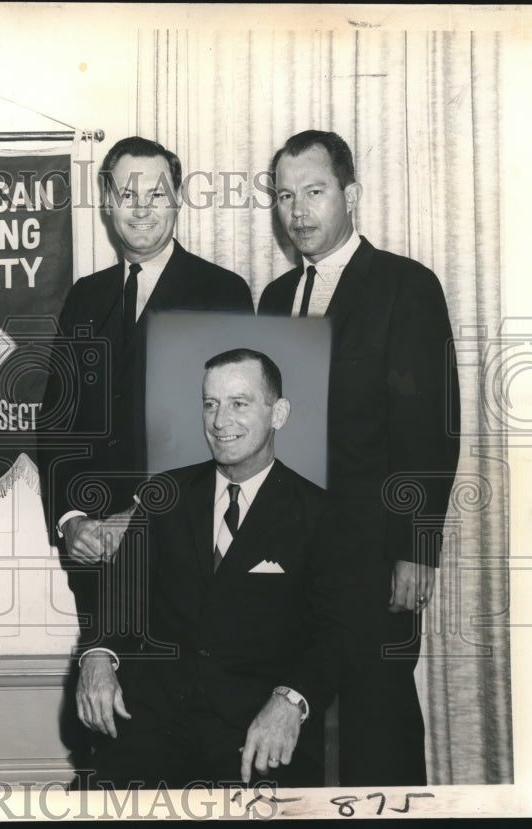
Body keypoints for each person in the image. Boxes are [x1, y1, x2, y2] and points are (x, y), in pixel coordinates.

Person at [258, 130, 460, 786]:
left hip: (379, 555)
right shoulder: (274, 297)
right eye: (286, 195)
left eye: (314, 192)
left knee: (381, 726)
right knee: (296, 720)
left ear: (351, 195)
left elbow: (431, 428)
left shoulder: (407, 286)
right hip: (293, 559)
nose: (298, 211)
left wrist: (417, 545)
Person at [74, 349, 348, 789]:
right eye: (210, 403)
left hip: (255, 726)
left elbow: (336, 633)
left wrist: (291, 700)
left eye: (239, 403)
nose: (220, 421)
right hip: (155, 723)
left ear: (278, 413)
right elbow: (118, 599)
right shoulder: (165, 493)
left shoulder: (319, 514)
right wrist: (97, 658)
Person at [38, 136, 253, 630]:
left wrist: (138, 513)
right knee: (102, 695)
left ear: (177, 200)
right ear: (108, 202)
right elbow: (56, 420)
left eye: (155, 194)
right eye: (126, 194)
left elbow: (234, 430)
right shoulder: (84, 297)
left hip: (185, 546)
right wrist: (70, 520)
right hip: (94, 555)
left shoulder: (222, 293)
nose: (140, 209)